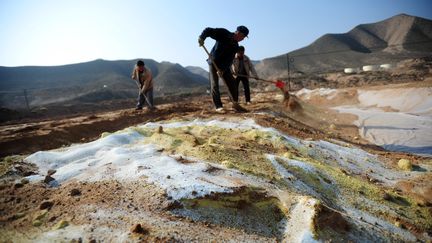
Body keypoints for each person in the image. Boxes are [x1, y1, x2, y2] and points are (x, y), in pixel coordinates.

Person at [198, 25, 249, 112]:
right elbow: (208, 30)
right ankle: (218, 107)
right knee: (214, 84)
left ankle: (235, 104)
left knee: (232, 83)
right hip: (213, 62)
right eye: (243, 36)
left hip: (223, 66)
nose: (243, 39)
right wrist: (202, 37)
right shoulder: (224, 33)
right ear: (238, 33)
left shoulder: (235, 46)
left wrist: (223, 69)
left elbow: (229, 60)